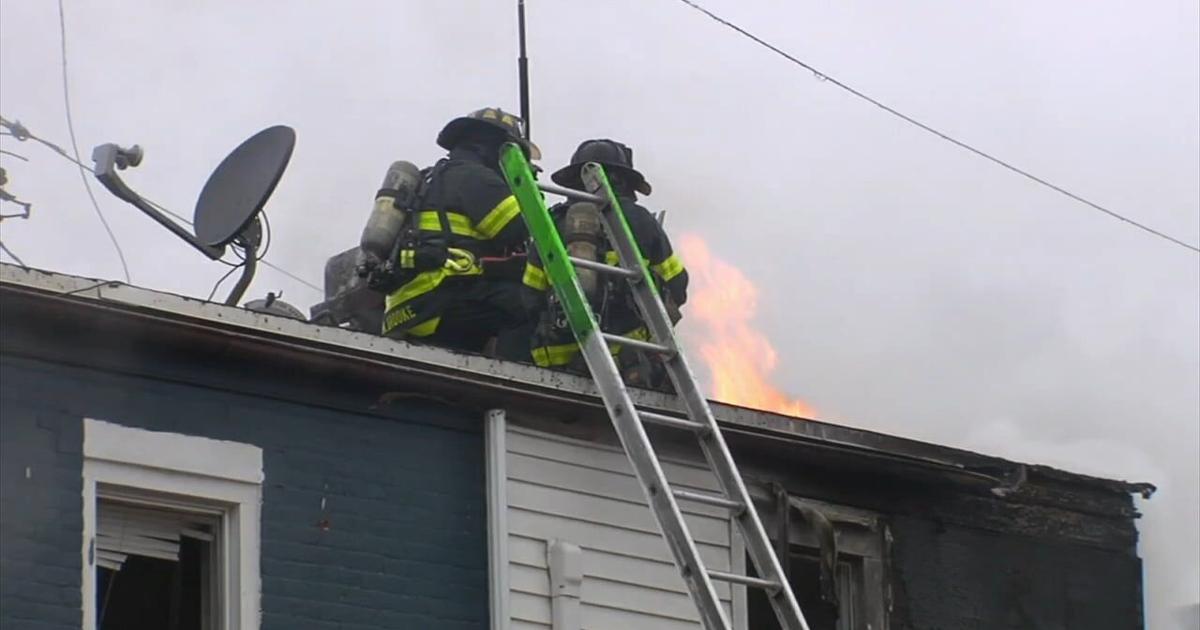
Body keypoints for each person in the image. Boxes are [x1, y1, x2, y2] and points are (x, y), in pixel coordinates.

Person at [521, 139, 688, 386]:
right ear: (623, 181)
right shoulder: (641, 220)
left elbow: (530, 296)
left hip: (558, 361)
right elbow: (677, 285)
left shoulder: (551, 223)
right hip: (627, 359)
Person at [381, 107, 538, 358]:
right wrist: (528, 192)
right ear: (493, 148)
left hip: (408, 306)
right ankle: (520, 375)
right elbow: (519, 229)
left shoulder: (431, 178)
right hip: (441, 297)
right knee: (530, 304)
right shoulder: (476, 177)